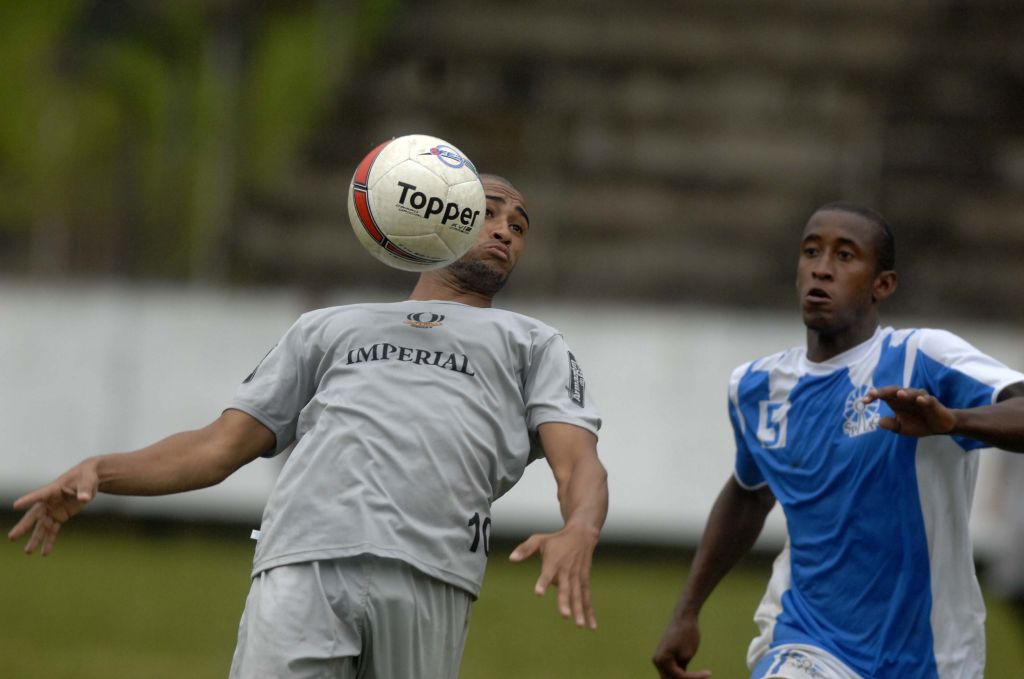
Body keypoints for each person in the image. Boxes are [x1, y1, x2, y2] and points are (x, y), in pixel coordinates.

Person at [8, 173, 609, 679]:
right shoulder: (328, 327)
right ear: (434, 212)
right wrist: (102, 470)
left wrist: (580, 525)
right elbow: (220, 446)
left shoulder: (534, 343)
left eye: (519, 225)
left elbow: (577, 460)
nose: (505, 229)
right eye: (486, 212)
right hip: (305, 558)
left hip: (434, 572)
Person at [652, 202, 1024, 679]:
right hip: (807, 642)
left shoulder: (921, 359)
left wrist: (954, 421)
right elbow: (748, 493)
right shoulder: (758, 387)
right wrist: (687, 610)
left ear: (882, 284)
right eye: (811, 252)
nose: (822, 269)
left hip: (933, 655)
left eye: (845, 256)